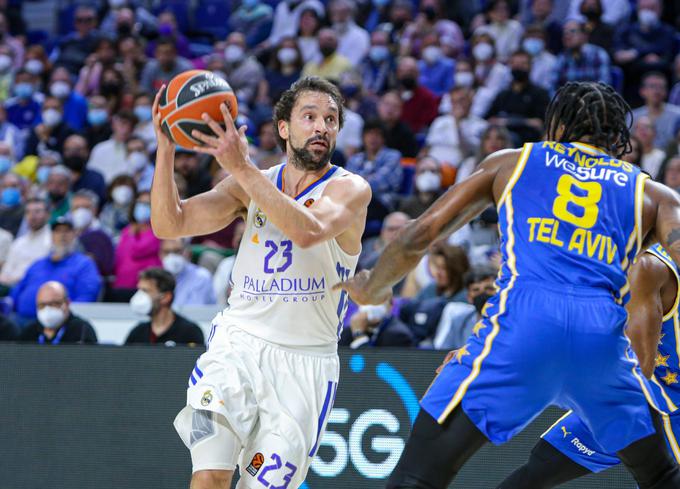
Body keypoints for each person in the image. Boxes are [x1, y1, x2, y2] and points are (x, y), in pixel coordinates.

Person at [336, 81, 680, 488]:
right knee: (660, 475)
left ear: (556, 125)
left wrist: (373, 287)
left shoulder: (513, 162)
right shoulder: (654, 195)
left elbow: (417, 235)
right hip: (601, 344)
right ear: (618, 136)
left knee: (419, 476)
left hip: (524, 326)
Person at [150, 76, 370, 489]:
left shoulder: (350, 189)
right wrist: (166, 144)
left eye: (331, 118)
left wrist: (242, 167)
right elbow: (169, 223)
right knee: (210, 476)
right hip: (238, 346)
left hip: (304, 366)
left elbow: (308, 231)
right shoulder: (249, 183)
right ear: (284, 128)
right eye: (310, 116)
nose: (322, 126)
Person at [497, 244, 680, 487]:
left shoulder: (649, 265)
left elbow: (639, 367)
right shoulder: (597, 263)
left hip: (663, 402)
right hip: (630, 396)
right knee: (541, 465)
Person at [11, 216, 101, 324]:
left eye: (67, 231)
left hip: (59, 322)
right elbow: (18, 290)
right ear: (52, 236)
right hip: (22, 319)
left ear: (74, 235)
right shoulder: (38, 264)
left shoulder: (84, 264)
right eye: (57, 231)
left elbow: (86, 298)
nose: (62, 235)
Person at [125, 267, 204, 346]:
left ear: (166, 297)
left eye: (145, 291)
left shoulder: (190, 332)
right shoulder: (137, 333)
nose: (139, 296)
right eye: (139, 290)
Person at [19, 281, 97, 344]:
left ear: (67, 303)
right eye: (42, 305)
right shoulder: (29, 332)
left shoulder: (82, 330)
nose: (47, 309)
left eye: (53, 304)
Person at [0, 198, 51, 286]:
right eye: (28, 212)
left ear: (47, 215)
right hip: (9, 289)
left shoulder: (51, 241)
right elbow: (5, 273)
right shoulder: (18, 243)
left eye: (37, 211)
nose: (32, 216)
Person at [160, 238, 216, 306]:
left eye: (177, 251)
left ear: (188, 253)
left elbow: (194, 312)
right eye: (167, 252)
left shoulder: (201, 277)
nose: (171, 256)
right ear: (160, 254)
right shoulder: (158, 278)